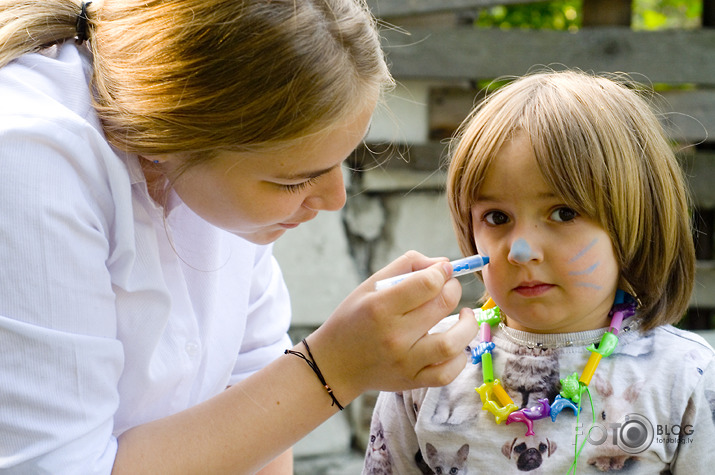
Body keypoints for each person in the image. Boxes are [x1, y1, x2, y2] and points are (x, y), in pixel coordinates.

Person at [0, 1, 480, 473]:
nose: (336, 199)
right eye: (294, 180)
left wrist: (327, 368)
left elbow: (259, 401)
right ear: (170, 135)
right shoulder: (29, 162)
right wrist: (336, 366)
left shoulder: (215, 189)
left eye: (342, 159)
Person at [363, 70, 715, 474]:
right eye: (496, 217)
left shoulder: (684, 378)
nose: (520, 250)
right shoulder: (429, 363)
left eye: (563, 213)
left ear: (635, 220)